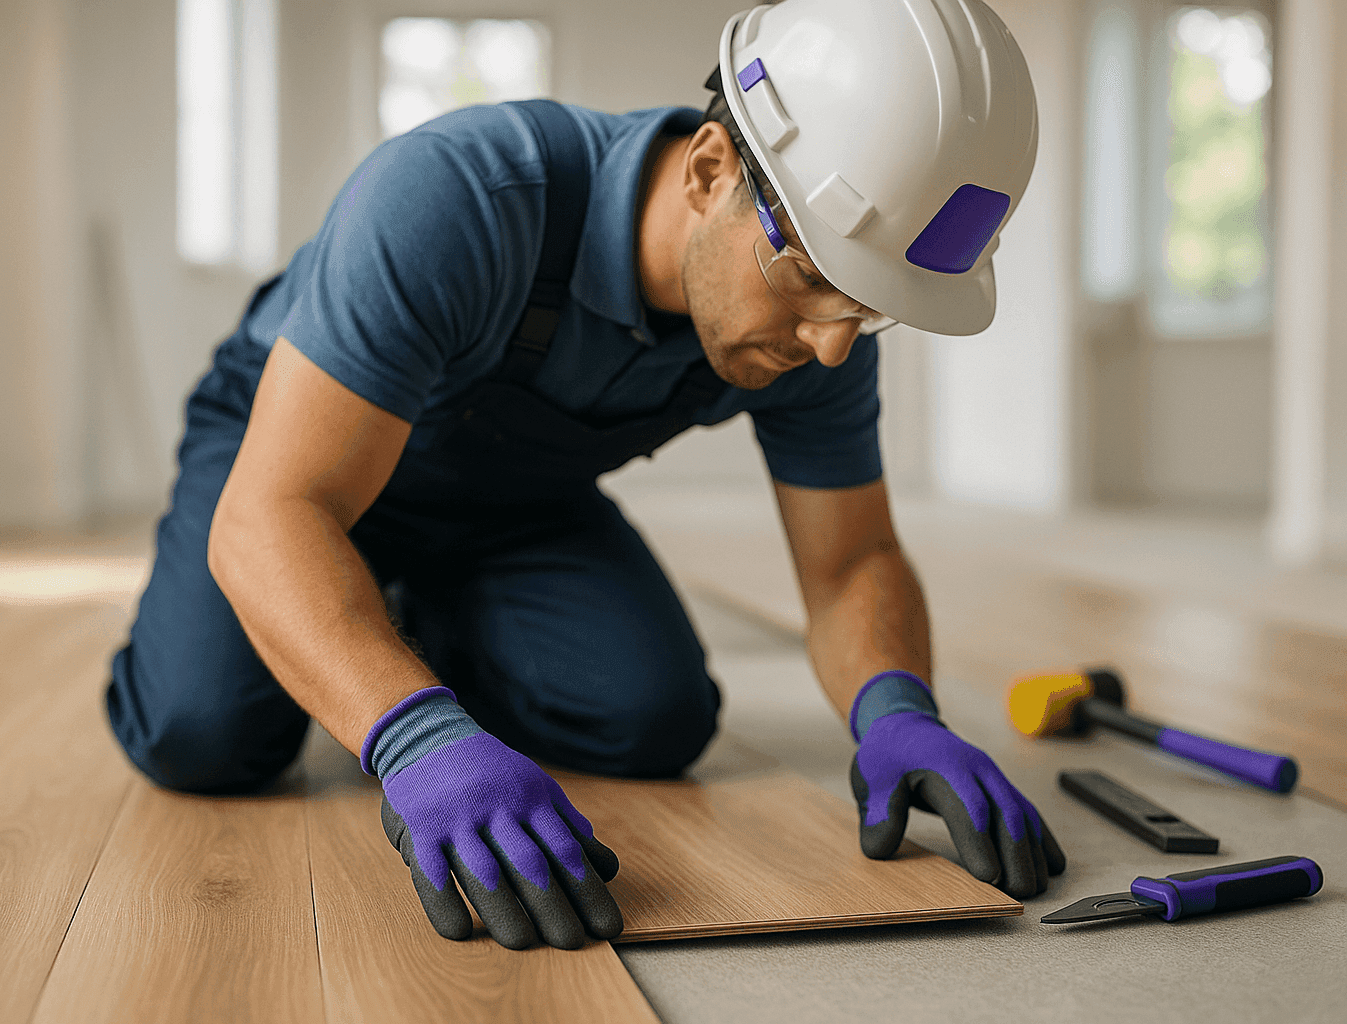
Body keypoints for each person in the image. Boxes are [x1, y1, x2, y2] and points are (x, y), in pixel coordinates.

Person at [105, 0, 1066, 951]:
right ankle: (362, 634)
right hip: (294, 464)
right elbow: (274, 511)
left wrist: (898, 709)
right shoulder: (462, 197)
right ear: (710, 170)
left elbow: (852, 559)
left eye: (868, 307)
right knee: (202, 735)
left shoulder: (824, 328)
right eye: (812, 278)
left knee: (652, 721)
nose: (830, 345)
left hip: (508, 500)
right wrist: (414, 736)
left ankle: (401, 617)